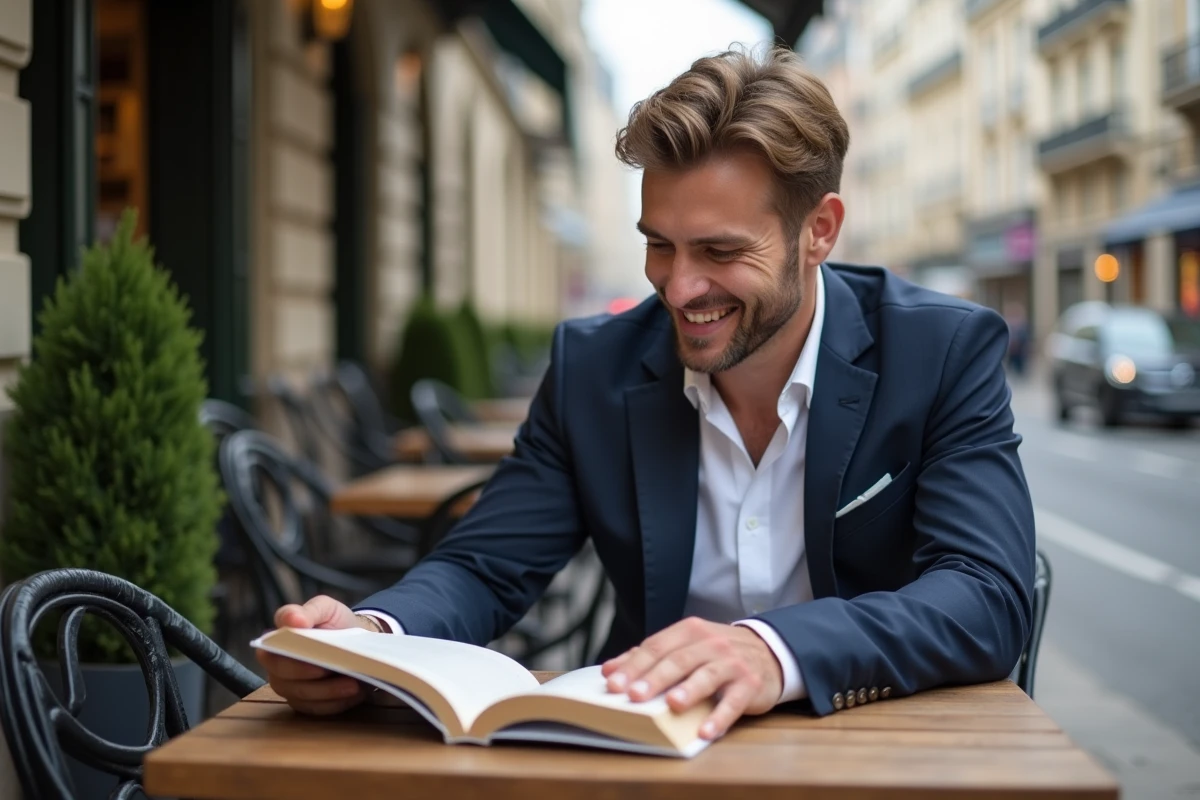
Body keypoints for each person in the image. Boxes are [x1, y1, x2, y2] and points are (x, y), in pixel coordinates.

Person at [258, 46, 1036, 741]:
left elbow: (987, 593)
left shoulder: (939, 353)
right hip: (642, 753)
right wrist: (371, 636)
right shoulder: (593, 367)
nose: (679, 286)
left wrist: (774, 651)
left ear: (820, 230)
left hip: (875, 748)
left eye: (719, 250)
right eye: (659, 244)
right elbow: (486, 565)